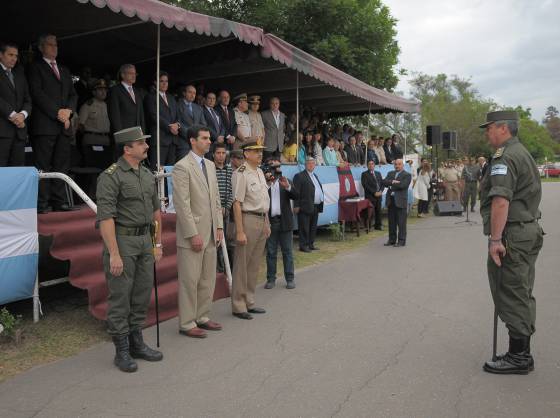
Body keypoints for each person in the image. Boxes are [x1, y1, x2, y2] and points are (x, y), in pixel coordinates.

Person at [479, 111, 544, 375]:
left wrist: (495, 239)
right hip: (526, 231)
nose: (487, 133)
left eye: (489, 128)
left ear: (503, 128)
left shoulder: (505, 156)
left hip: (513, 234)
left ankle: (519, 357)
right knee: (521, 290)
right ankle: (520, 350)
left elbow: (501, 200)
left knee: (511, 291)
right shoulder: (521, 152)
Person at [96, 126, 163, 373]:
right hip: (122, 242)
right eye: (141, 143)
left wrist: (157, 243)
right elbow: (106, 218)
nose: (146, 146)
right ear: (127, 149)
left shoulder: (146, 175)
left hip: (145, 240)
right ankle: (121, 350)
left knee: (142, 293)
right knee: (120, 296)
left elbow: (156, 212)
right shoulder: (110, 176)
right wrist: (113, 253)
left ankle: (137, 343)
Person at [172, 126, 224, 338]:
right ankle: (186, 322)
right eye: (204, 138)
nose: (209, 141)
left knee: (207, 279)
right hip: (193, 234)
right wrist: (192, 233)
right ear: (192, 141)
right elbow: (182, 204)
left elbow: (217, 198)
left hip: (211, 232)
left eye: (209, 138)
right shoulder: (181, 167)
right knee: (189, 280)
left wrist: (219, 225)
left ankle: (202, 316)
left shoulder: (210, 165)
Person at [29, 34, 78, 213]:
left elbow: (73, 94)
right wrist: (57, 112)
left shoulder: (64, 70)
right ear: (41, 47)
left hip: (63, 125)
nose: (54, 48)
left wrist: (68, 112)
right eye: (50, 45)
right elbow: (37, 93)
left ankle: (60, 201)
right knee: (43, 164)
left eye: (56, 45)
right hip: (44, 125)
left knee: (61, 164)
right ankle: (42, 203)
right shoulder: (35, 68)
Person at [231, 139, 270, 319]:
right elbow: (237, 204)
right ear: (246, 153)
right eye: (256, 151)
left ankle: (249, 300)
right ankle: (239, 305)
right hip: (247, 219)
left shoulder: (260, 172)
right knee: (242, 264)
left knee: (254, 265)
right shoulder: (241, 173)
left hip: (261, 219)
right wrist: (239, 231)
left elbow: (263, 200)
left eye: (261, 151)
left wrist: (267, 222)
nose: (260, 154)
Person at [264, 157, 298, 289]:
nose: (276, 169)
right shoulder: (264, 183)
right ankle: (271, 279)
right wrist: (267, 184)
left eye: (278, 167)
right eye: (273, 167)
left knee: (287, 251)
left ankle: (290, 278)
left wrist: (288, 187)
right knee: (271, 252)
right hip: (271, 222)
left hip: (285, 222)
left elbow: (296, 195)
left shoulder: (286, 181)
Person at [0, 42, 31, 167]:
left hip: (19, 132)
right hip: (2, 132)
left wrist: (23, 115)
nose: (14, 58)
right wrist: (13, 115)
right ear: (1, 55)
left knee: (18, 171)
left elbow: (28, 99)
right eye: (10, 55)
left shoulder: (19, 75)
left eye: (16, 56)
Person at [144, 72, 183, 168]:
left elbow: (178, 116)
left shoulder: (171, 98)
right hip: (159, 140)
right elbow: (154, 116)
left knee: (170, 172)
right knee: (158, 170)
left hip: (173, 141)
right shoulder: (150, 97)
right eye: (161, 81)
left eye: (166, 81)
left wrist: (177, 125)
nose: (165, 83)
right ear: (155, 82)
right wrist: (169, 127)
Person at [77, 79, 112, 170]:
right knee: (92, 169)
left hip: (105, 140)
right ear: (93, 92)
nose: (103, 92)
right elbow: (80, 125)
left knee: (105, 168)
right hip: (91, 140)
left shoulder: (107, 105)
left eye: (105, 89)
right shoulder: (87, 105)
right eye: (100, 89)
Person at [293, 156, 324, 253]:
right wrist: (296, 205)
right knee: (304, 227)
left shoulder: (315, 176)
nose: (311, 165)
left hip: (315, 205)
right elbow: (296, 192)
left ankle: (311, 244)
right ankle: (303, 245)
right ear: (305, 165)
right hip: (304, 206)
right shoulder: (299, 176)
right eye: (309, 163)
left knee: (313, 227)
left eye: (313, 163)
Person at [108, 64, 145, 134]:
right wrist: (120, 135)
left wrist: (143, 133)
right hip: (124, 134)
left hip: (137, 134)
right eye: (131, 73)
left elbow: (141, 115)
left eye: (135, 73)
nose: (134, 76)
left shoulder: (137, 92)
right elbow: (114, 115)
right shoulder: (115, 91)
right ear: (122, 75)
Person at [213, 142, 233, 273]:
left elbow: (232, 191)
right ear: (213, 155)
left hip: (226, 211)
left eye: (223, 153)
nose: (221, 156)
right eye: (218, 153)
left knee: (225, 239)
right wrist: (217, 208)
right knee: (215, 241)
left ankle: (225, 268)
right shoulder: (210, 169)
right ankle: (217, 268)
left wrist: (227, 207)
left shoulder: (229, 170)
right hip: (214, 211)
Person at [382, 159, 411, 247]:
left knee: (401, 223)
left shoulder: (407, 175)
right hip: (391, 201)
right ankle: (392, 240)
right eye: (395, 164)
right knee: (391, 222)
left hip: (400, 201)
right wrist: (393, 182)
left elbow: (403, 185)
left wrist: (391, 184)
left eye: (399, 164)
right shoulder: (390, 173)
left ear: (402, 165)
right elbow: (384, 182)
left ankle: (401, 241)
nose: (397, 166)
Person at [361, 159, 384, 230]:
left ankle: (378, 225)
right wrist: (374, 192)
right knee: (370, 212)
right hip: (370, 196)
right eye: (369, 164)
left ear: (374, 165)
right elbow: (365, 185)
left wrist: (380, 191)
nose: (371, 165)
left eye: (372, 164)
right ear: (367, 166)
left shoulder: (378, 173)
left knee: (378, 211)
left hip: (379, 195)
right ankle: (369, 226)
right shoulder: (364, 174)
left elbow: (382, 183)